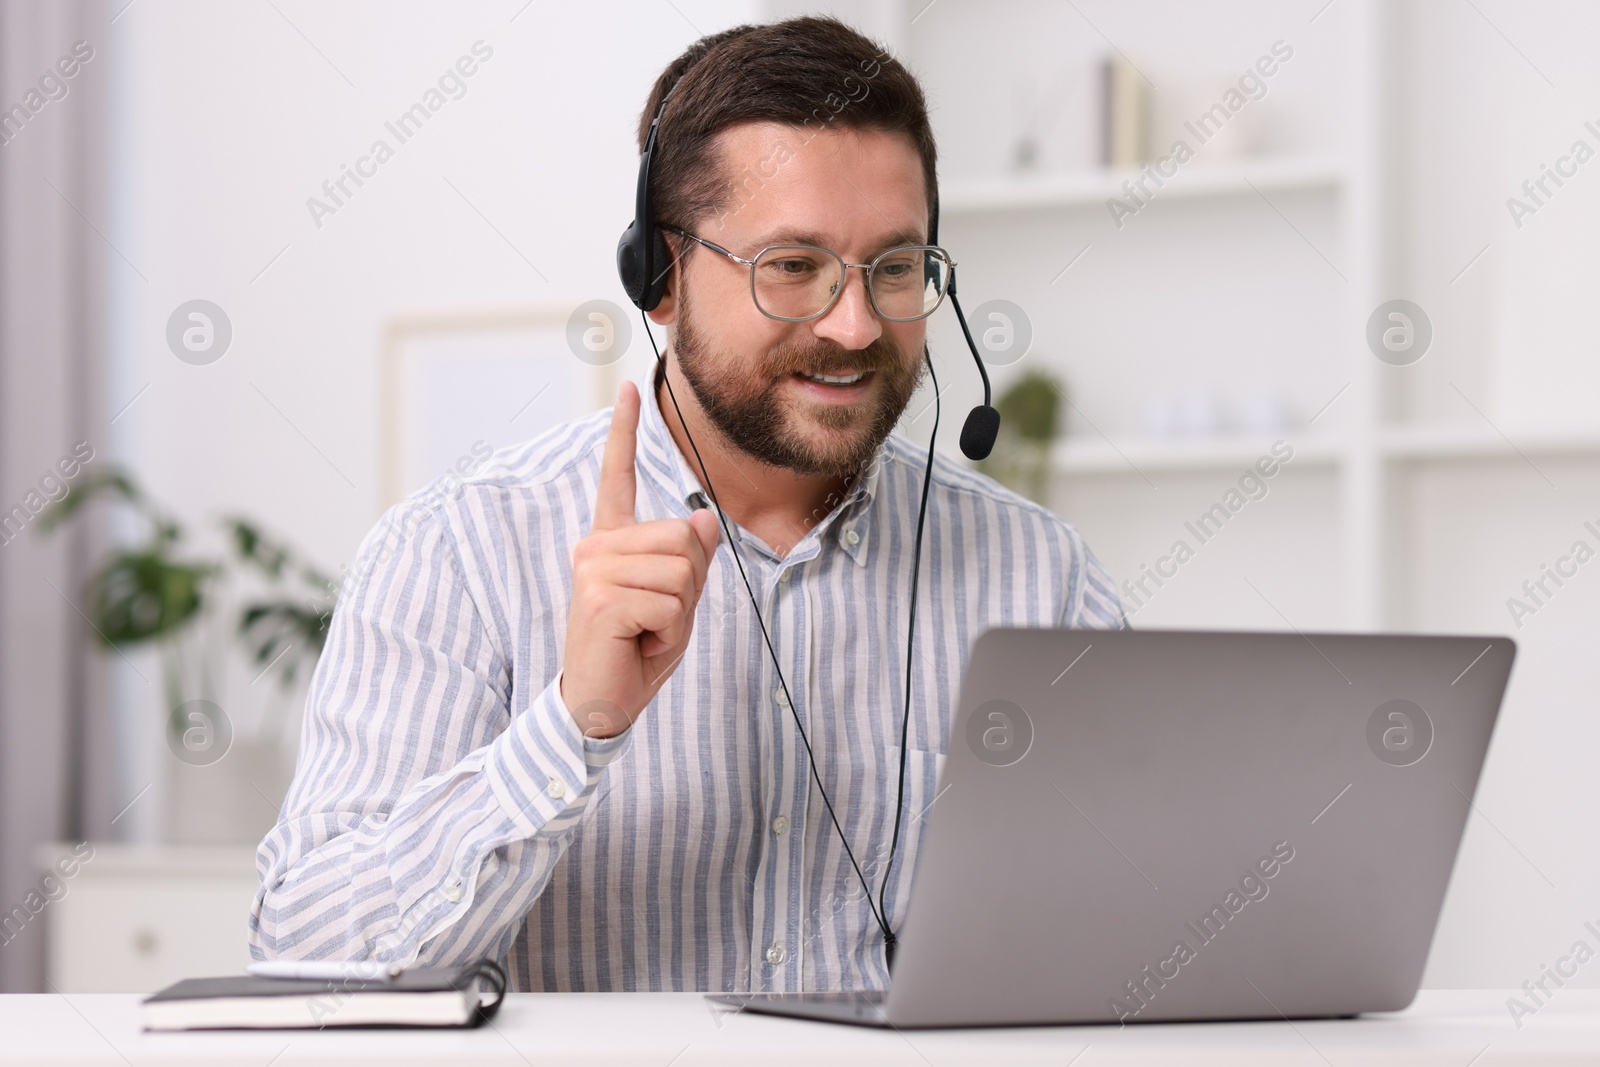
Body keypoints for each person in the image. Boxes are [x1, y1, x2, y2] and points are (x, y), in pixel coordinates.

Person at [251, 15, 1123, 993]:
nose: (854, 322)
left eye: (894, 267)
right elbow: (302, 957)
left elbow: (1138, 927)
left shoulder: (1042, 577)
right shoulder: (455, 552)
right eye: (792, 266)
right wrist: (569, 728)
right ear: (659, 279)